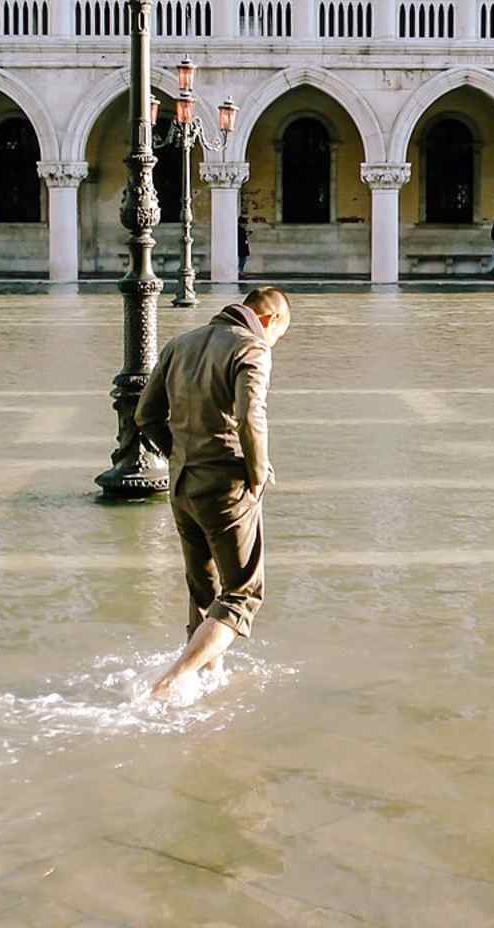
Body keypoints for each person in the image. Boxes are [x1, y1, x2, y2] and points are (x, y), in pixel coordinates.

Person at [136, 287, 291, 701]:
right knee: (242, 594)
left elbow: (144, 416)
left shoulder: (179, 344)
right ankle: (175, 679)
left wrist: (178, 455)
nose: (274, 343)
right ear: (270, 320)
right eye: (278, 335)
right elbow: (249, 416)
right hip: (226, 486)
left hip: (183, 483)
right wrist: (257, 474)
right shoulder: (251, 349)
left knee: (202, 589)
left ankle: (209, 678)